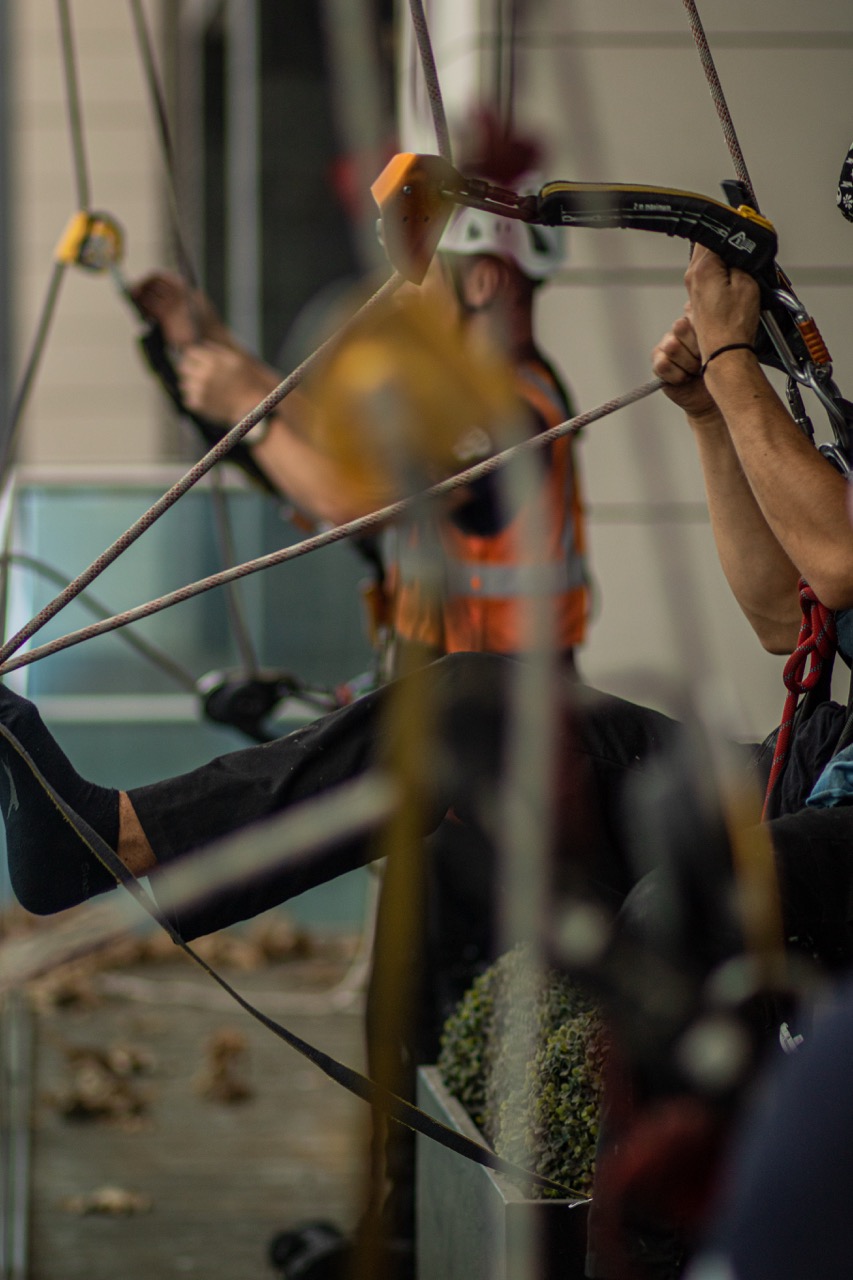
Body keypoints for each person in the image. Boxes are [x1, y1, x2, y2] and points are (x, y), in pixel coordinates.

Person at [7, 245, 852, 1268]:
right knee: (450, 759)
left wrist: (728, 357)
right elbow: (782, 618)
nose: (405, 300)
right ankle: (114, 841)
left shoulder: (507, 404)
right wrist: (712, 416)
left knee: (646, 914)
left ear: (487, 281)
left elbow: (839, 561)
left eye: (429, 279)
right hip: (803, 754)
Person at [131, 153, 589, 1276]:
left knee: (436, 1011)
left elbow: (352, 497)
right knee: (402, 1012)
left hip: (498, 759)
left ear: (486, 279)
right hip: (449, 723)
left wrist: (245, 405)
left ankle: (423, 1245)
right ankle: (398, 1236)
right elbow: (330, 471)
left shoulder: (514, 410)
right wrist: (201, 354)